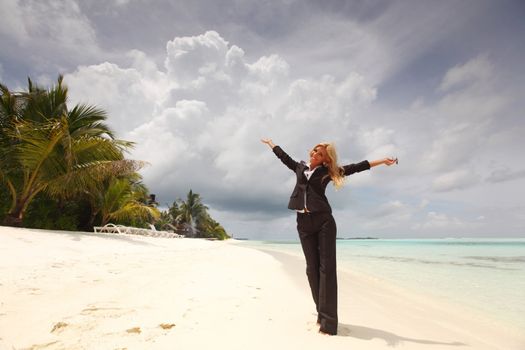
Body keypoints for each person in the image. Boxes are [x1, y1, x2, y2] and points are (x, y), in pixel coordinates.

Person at [261, 138, 397, 335]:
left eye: (320, 153)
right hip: (303, 223)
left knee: (327, 270)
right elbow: (284, 158)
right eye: (315, 151)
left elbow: (356, 167)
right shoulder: (299, 167)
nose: (315, 154)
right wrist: (271, 144)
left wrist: (382, 161)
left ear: (325, 160)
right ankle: (321, 313)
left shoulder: (327, 172)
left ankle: (329, 324)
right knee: (311, 270)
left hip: (324, 221)